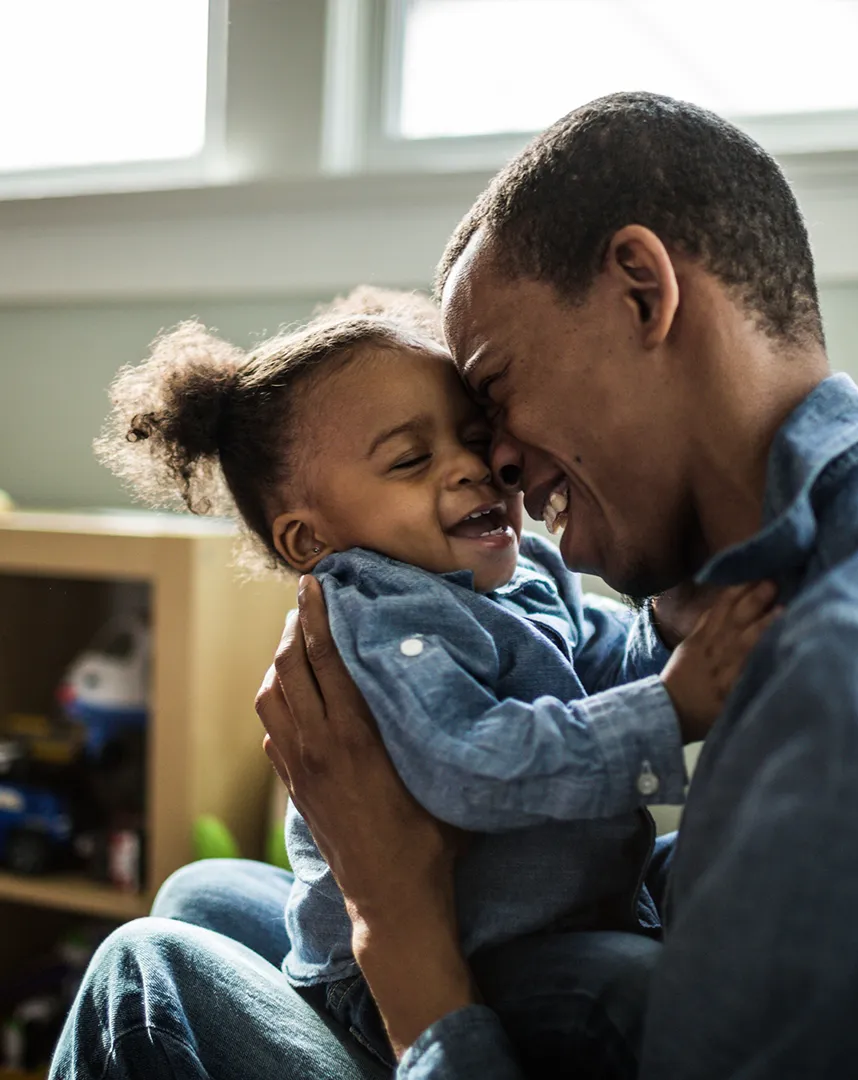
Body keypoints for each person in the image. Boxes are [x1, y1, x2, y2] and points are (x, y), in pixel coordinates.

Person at [52, 91, 858, 1079]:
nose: (495, 461)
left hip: (460, 962)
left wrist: (399, 935)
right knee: (198, 896)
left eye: (491, 393)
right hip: (511, 916)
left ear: (645, 291)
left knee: (142, 977)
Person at [86, 294, 775, 1075]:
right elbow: (470, 766)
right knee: (630, 990)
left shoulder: (522, 575)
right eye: (412, 460)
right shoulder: (384, 612)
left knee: (203, 893)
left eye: (476, 438)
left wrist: (683, 629)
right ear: (311, 538)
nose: (473, 467)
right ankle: (387, 1039)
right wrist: (671, 709)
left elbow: (604, 661)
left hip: (538, 920)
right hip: (461, 954)